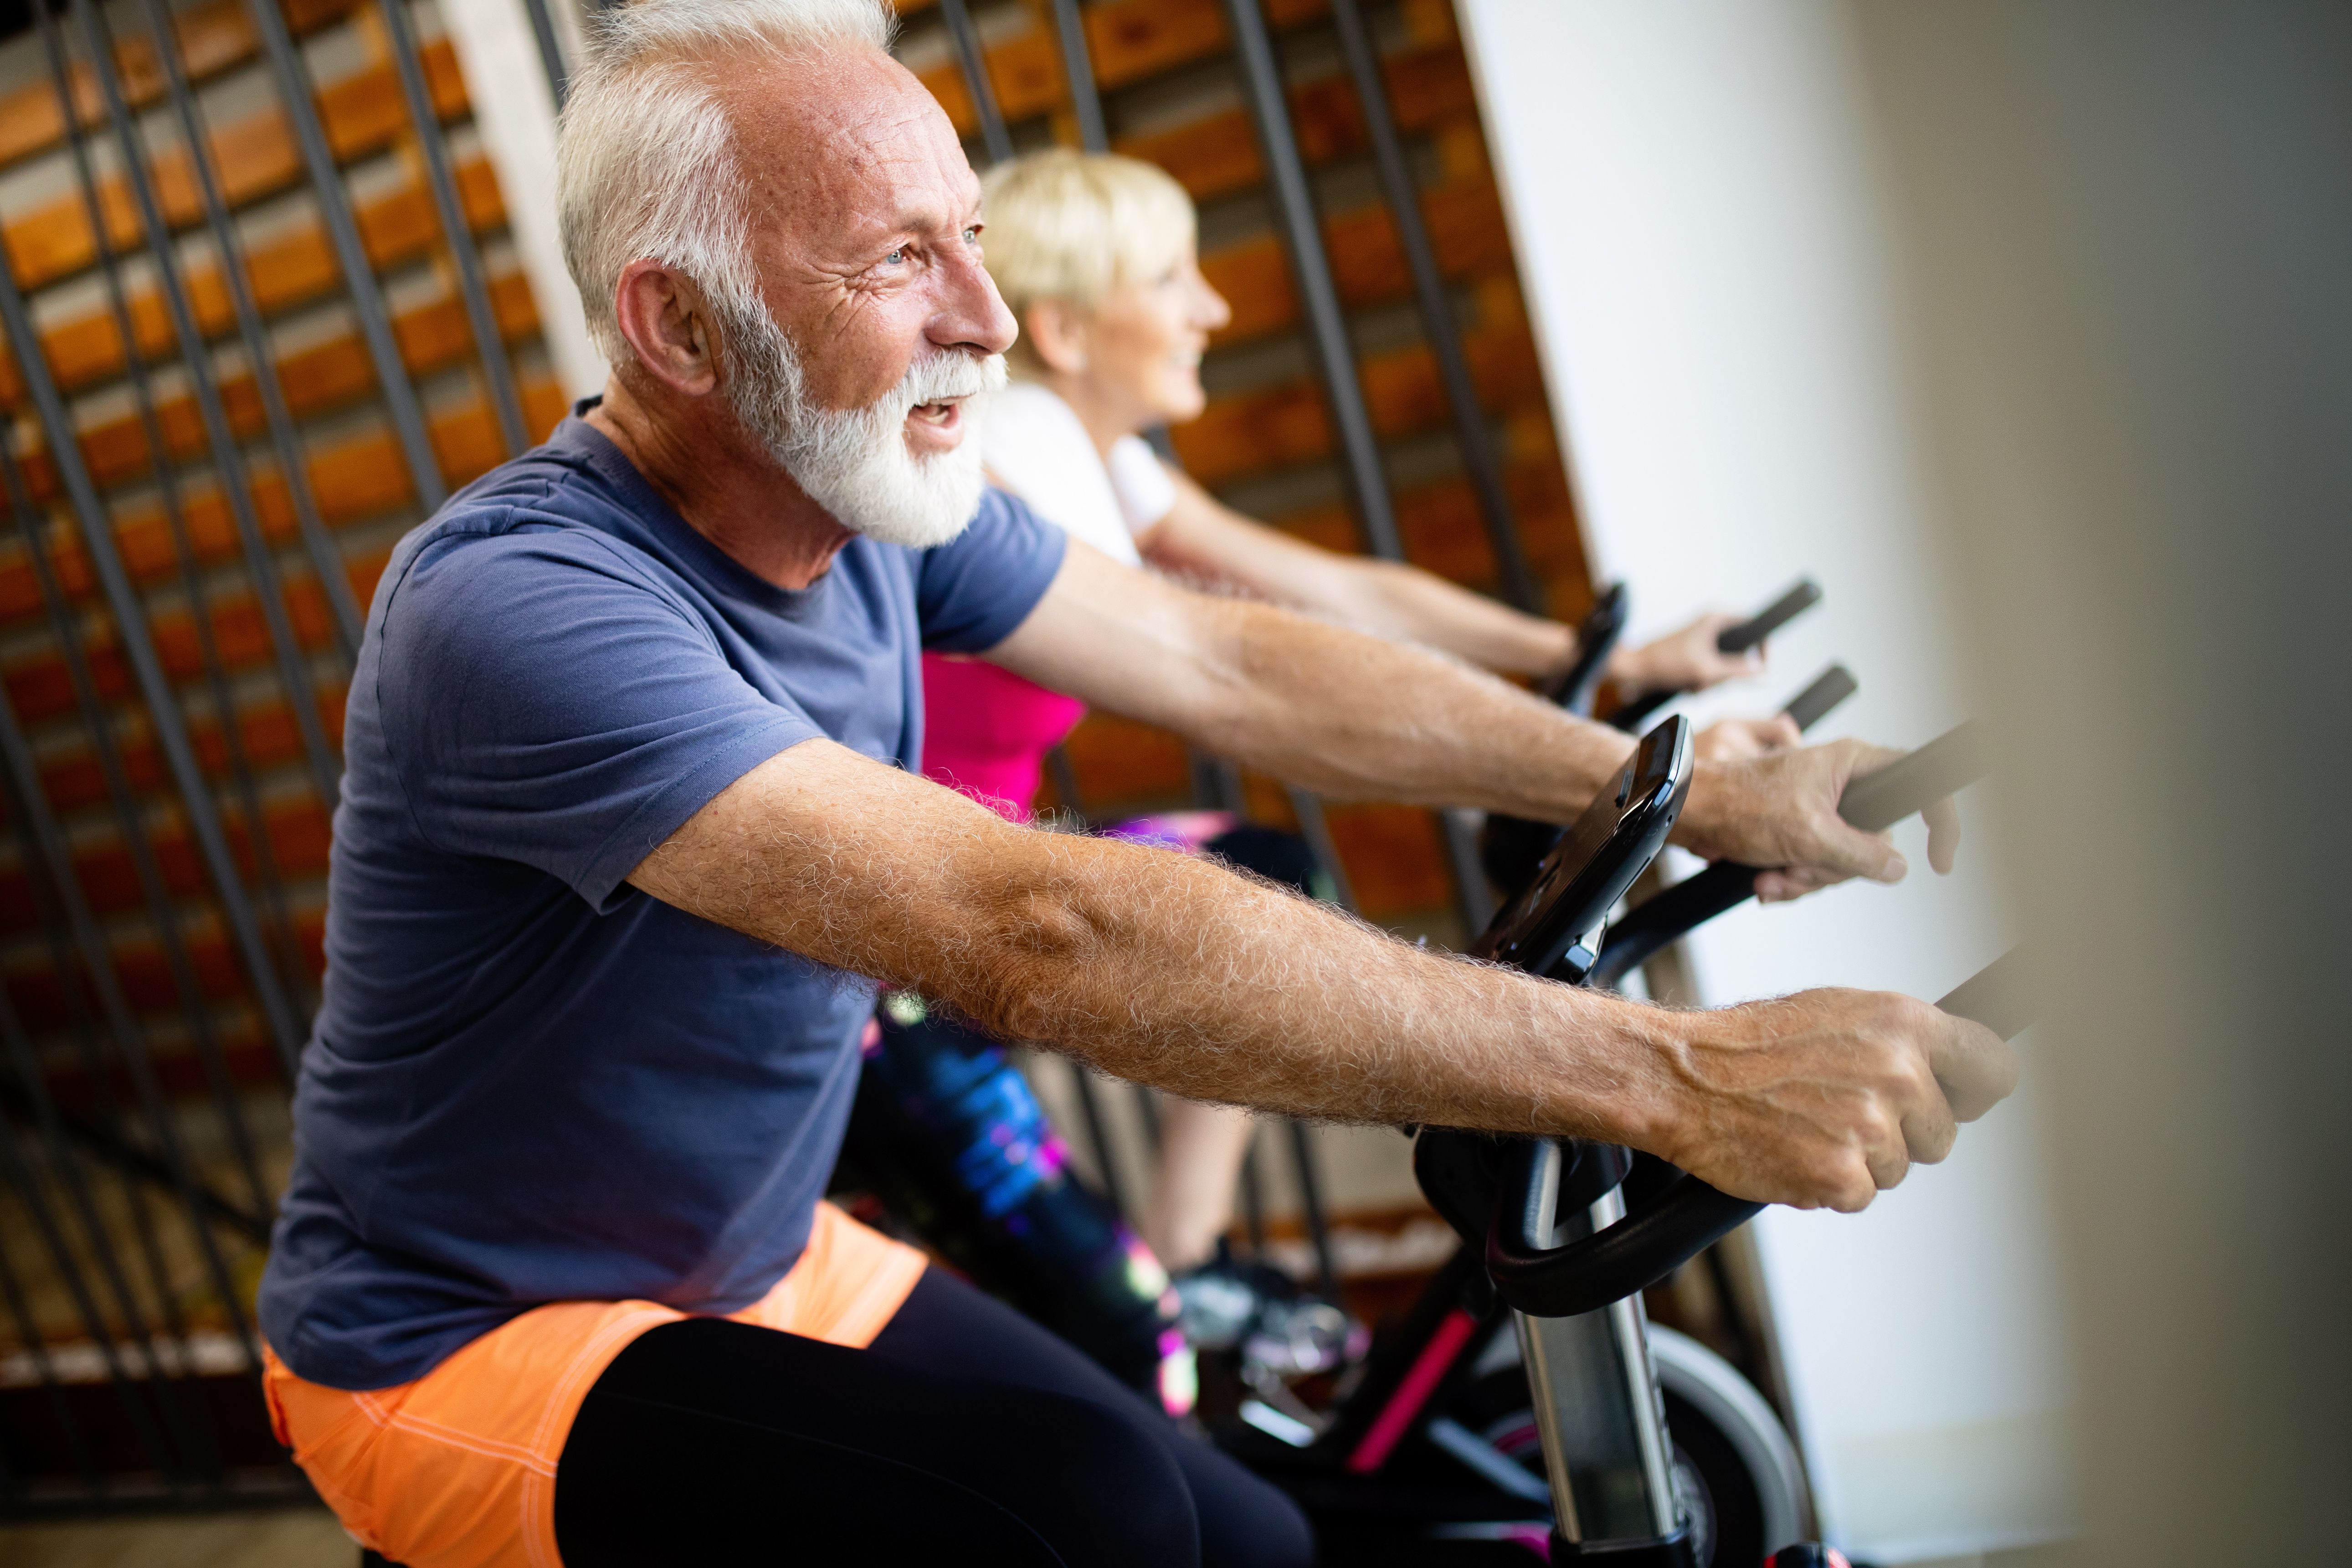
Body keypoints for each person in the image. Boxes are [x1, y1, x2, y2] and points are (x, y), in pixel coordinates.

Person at [252, 4, 2015, 1565]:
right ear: (684, 329)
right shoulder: (518, 606)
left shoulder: (867, 503)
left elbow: (1225, 658)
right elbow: (1036, 922)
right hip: (459, 1339)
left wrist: (1681, 785)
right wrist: (1679, 1072)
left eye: (976, 240)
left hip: (763, 1254)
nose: (993, 319)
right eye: (897, 261)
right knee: (1076, 1520)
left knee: (1235, 1528)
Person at [912, 147, 1797, 1337]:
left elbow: (1338, 591)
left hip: (994, 877)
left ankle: (1189, 1254)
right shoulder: (1011, 452)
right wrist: (1594, 740)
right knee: (1118, 1341)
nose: (1210, 308)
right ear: (1064, 329)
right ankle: (1159, 1317)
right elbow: (1238, 668)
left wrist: (1593, 663)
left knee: (1264, 859)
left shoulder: (1098, 458)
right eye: (1170, 276)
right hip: (899, 943)